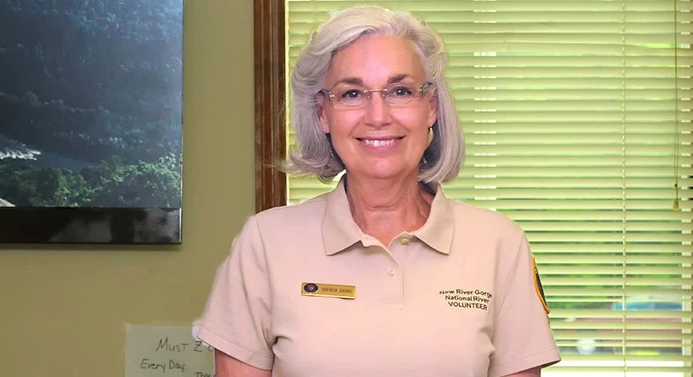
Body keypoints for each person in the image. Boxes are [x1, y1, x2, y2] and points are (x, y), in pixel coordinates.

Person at [194, 5, 561, 377]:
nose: (378, 115)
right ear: (323, 113)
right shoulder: (265, 243)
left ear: (430, 107)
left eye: (400, 90)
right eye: (352, 94)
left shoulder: (499, 245)